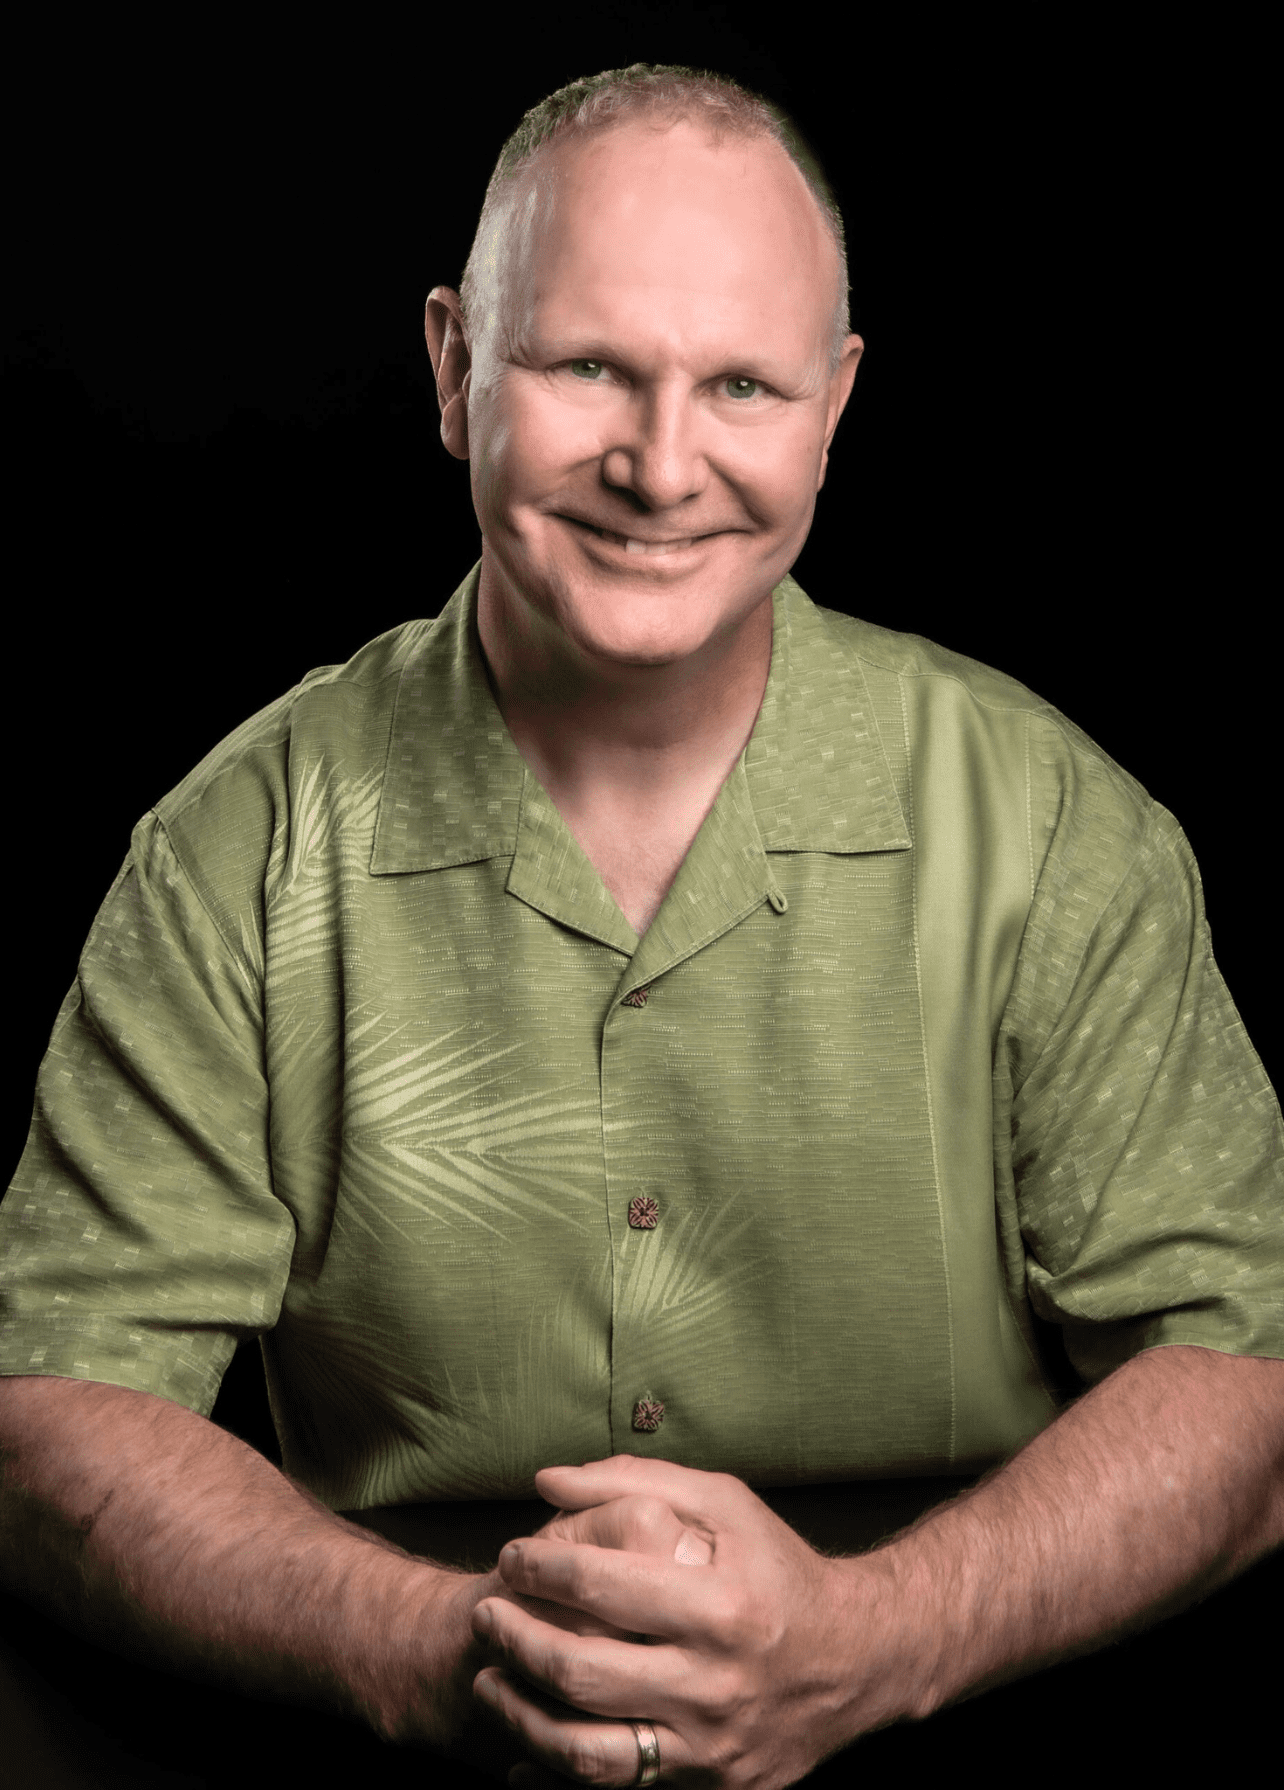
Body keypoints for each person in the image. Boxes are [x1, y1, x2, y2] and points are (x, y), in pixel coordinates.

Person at [2, 61, 1283, 1790]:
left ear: (832, 409)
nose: (661, 464)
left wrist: (870, 1641)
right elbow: (48, 1404)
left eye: (740, 384)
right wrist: (442, 1651)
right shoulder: (240, 847)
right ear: (456, 369)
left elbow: (1250, 1365)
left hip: (982, 1709)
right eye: (590, 364)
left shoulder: (1056, 828)